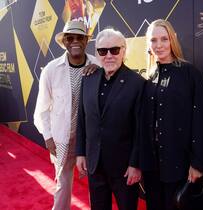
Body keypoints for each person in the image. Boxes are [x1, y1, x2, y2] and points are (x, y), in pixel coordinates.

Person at [139, 19, 203, 210]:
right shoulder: (148, 78)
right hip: (152, 167)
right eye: (153, 40)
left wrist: (198, 163)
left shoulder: (190, 74)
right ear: (148, 45)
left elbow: (200, 121)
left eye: (164, 39)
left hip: (181, 166)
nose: (159, 45)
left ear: (172, 40)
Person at [75, 27, 145, 210]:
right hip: (94, 164)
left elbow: (141, 130)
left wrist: (135, 164)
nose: (109, 55)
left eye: (114, 50)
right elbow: (82, 119)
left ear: (124, 50)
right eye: (102, 51)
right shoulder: (88, 79)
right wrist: (81, 152)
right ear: (97, 54)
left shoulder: (137, 83)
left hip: (123, 169)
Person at [33, 20, 99, 210]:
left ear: (86, 41)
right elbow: (41, 110)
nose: (75, 41)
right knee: (63, 183)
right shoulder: (51, 70)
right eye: (70, 38)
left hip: (90, 138)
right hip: (62, 137)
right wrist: (48, 137)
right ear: (65, 42)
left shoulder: (98, 64)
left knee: (96, 183)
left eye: (80, 37)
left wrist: (99, 71)